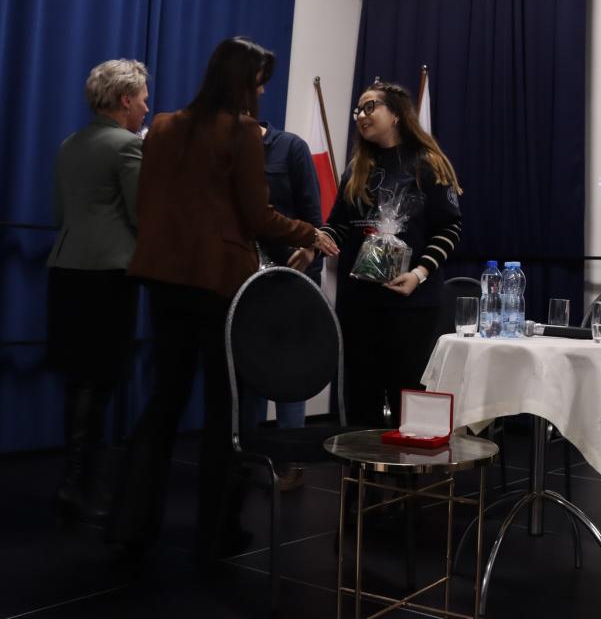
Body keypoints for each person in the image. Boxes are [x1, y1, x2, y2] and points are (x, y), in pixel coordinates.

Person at [107, 37, 338, 561]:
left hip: (163, 279)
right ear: (244, 81)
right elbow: (258, 216)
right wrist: (309, 232)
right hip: (218, 284)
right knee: (225, 412)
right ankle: (217, 533)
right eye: (259, 82)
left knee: (163, 402)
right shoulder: (242, 132)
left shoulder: (163, 125)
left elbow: (149, 202)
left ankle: (130, 524)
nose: (262, 92)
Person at [307, 83, 462, 427]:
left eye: (370, 107)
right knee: (361, 401)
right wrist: (319, 239)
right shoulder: (356, 169)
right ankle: (363, 463)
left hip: (412, 304)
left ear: (396, 115)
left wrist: (419, 273)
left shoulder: (429, 164)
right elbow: (339, 225)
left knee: (409, 400)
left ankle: (407, 463)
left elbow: (449, 228)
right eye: (358, 110)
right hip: (359, 304)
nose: (361, 116)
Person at [46, 59, 150, 521]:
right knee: (102, 379)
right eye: (142, 99)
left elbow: (59, 214)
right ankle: (87, 485)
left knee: (77, 379)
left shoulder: (69, 144)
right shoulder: (128, 146)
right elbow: (142, 215)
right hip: (108, 273)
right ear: (125, 100)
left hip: (65, 269)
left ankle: (74, 479)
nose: (146, 108)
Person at [237, 119, 325, 492]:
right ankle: (245, 457)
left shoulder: (291, 148)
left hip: (291, 278)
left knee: (290, 370)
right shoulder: (227, 150)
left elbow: (314, 218)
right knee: (245, 370)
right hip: (242, 279)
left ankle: (292, 463)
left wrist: (310, 252)